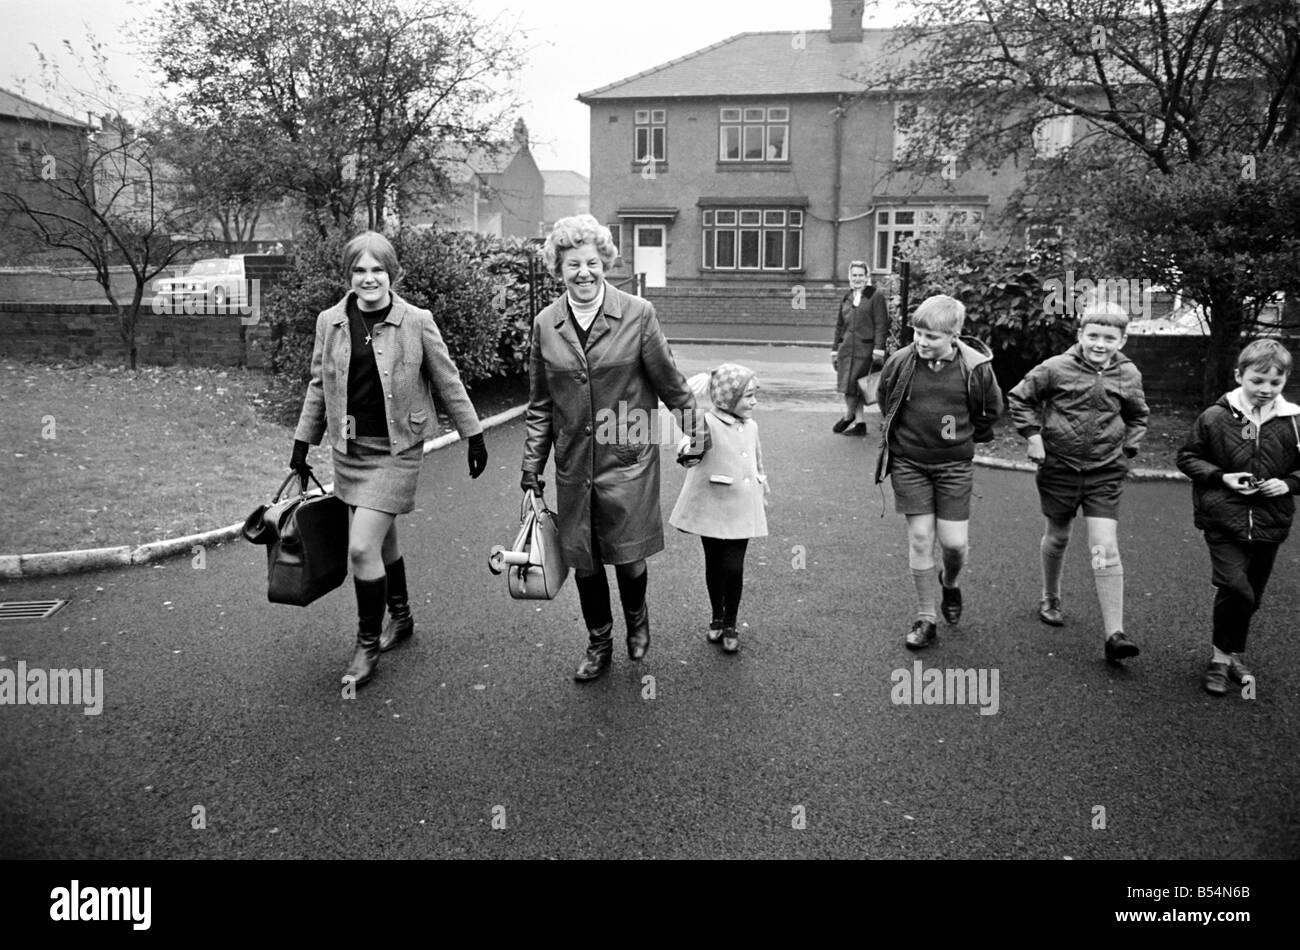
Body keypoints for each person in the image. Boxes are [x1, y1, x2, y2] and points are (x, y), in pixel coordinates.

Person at [291, 230, 487, 689]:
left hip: (397, 450)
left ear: (392, 274)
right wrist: (303, 443)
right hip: (349, 451)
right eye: (359, 270)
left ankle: (366, 644)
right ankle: (400, 616)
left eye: (377, 269)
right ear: (349, 276)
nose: (368, 278)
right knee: (382, 541)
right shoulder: (330, 321)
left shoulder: (416, 320)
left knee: (361, 547)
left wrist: (473, 435)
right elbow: (319, 385)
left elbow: (447, 380)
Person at [521, 214, 709, 682]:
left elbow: (670, 383)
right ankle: (599, 640)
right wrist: (531, 469)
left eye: (591, 262)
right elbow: (541, 405)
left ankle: (638, 618)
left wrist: (696, 431)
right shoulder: (546, 324)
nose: (583, 273)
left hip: (626, 456)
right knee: (583, 560)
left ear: (605, 261)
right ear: (559, 271)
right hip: (573, 462)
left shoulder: (637, 314)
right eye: (571, 265)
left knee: (627, 555)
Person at [1007, 299, 1149, 663]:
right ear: (1080, 334)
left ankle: (1114, 633)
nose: (1100, 344)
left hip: (1104, 471)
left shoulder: (1128, 375)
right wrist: (1033, 437)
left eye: (1110, 337)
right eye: (1093, 335)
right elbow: (1020, 399)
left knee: (1104, 546)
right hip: (1059, 468)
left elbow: (1138, 416)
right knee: (1058, 535)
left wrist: (1126, 452)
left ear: (1122, 340)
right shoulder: (1056, 368)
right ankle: (1050, 596)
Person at [874, 294, 1003, 650]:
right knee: (919, 539)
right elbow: (887, 399)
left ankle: (950, 581)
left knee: (954, 544)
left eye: (931, 336)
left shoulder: (975, 368)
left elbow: (992, 410)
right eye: (917, 332)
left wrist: (964, 436)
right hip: (910, 463)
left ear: (954, 335)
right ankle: (926, 616)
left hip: (954, 466)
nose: (920, 341)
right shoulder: (901, 362)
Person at [1176, 338, 1300, 696]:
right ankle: (1221, 659)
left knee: (1251, 596)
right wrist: (1222, 477)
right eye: (1257, 381)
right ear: (1239, 376)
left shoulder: (1293, 423)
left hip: (1270, 522)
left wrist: (1288, 483)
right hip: (1222, 518)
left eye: (1275, 383)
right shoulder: (1216, 417)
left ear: (1285, 380)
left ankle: (1226, 655)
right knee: (1235, 587)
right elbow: (1187, 458)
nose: (1265, 389)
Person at [668, 364, 769, 653]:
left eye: (755, 395)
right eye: (748, 396)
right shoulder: (705, 423)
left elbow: (757, 460)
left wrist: (762, 483)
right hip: (711, 503)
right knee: (714, 564)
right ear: (727, 398)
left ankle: (731, 623)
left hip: (742, 506)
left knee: (734, 566)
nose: (754, 402)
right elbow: (688, 453)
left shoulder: (752, 426)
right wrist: (688, 451)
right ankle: (716, 616)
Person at [832, 260, 889, 436]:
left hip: (865, 350)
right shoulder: (847, 297)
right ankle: (859, 422)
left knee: (857, 386)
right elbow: (839, 326)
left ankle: (850, 416)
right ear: (850, 277)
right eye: (854, 275)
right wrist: (835, 349)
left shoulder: (875, 295)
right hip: (846, 350)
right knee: (850, 386)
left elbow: (881, 324)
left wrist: (879, 349)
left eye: (861, 275)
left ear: (867, 277)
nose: (857, 278)